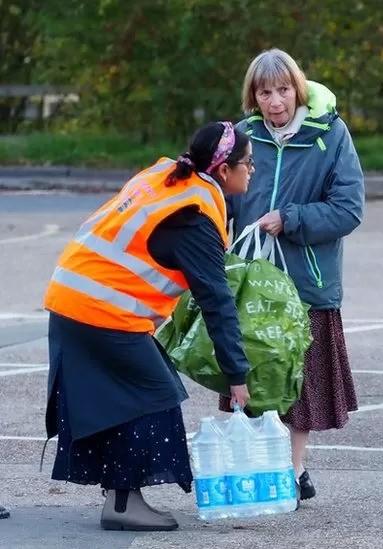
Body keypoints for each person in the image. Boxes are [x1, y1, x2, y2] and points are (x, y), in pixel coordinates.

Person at [42, 122, 255, 531]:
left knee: (119, 398)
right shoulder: (193, 216)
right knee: (153, 395)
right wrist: (237, 375)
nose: (252, 171)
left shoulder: (170, 178)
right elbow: (217, 301)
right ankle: (123, 504)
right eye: (248, 164)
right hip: (97, 309)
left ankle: (120, 497)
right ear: (224, 170)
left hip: (77, 299)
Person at [222, 48, 365, 502]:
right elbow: (219, 197)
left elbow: (348, 208)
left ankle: (294, 468)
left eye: (283, 89)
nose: (275, 101)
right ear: (254, 96)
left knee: (298, 385)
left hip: (307, 281)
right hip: (249, 282)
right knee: (248, 378)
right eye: (265, 92)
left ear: (297, 89)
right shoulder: (242, 136)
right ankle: (255, 464)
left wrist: (291, 219)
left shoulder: (331, 134)